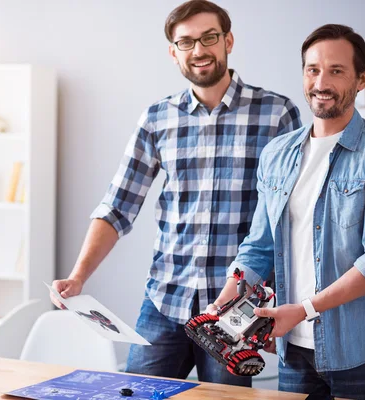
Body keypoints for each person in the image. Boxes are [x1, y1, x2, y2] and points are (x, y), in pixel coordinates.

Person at [50, 0, 301, 385]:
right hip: (165, 299)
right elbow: (118, 206)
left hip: (233, 310)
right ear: (173, 52)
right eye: (186, 42)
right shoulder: (157, 118)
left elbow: (291, 221)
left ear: (228, 41)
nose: (198, 50)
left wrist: (282, 303)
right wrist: (78, 276)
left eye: (209, 38)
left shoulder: (276, 114)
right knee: (132, 394)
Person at [208, 24, 365, 398]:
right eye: (312, 69)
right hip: (295, 351)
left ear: (362, 78)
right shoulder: (277, 154)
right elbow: (258, 246)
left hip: (364, 352)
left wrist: (304, 309)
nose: (321, 82)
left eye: (336, 71)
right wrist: (230, 293)